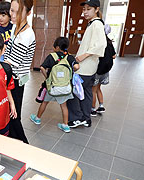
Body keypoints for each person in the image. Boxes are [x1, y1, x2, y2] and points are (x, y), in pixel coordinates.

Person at [67, 0, 106, 128]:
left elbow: (101, 45)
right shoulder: (92, 24)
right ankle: (86, 118)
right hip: (89, 67)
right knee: (87, 92)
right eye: (84, 9)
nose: (85, 12)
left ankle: (77, 118)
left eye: (88, 9)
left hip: (86, 67)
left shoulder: (97, 24)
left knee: (74, 92)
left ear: (96, 9)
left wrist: (83, 56)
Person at [30, 37, 79, 133]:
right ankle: (65, 125)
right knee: (64, 106)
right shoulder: (69, 57)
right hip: (65, 87)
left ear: (57, 47)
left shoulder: (51, 56)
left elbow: (42, 68)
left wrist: (47, 78)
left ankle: (37, 118)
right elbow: (76, 66)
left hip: (52, 87)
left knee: (45, 102)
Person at [4, 0, 36, 143]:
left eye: (17, 12)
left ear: (28, 13)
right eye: (11, 10)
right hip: (11, 77)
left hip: (16, 79)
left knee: (14, 114)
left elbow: (13, 61)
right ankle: (13, 143)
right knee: (12, 113)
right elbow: (8, 49)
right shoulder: (15, 27)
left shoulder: (27, 34)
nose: (12, 15)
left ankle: (24, 145)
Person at [91, 24, 116, 116]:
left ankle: (92, 109)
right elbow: (114, 56)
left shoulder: (99, 41)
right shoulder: (109, 42)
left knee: (93, 90)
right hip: (106, 69)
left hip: (98, 68)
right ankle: (101, 106)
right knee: (98, 88)